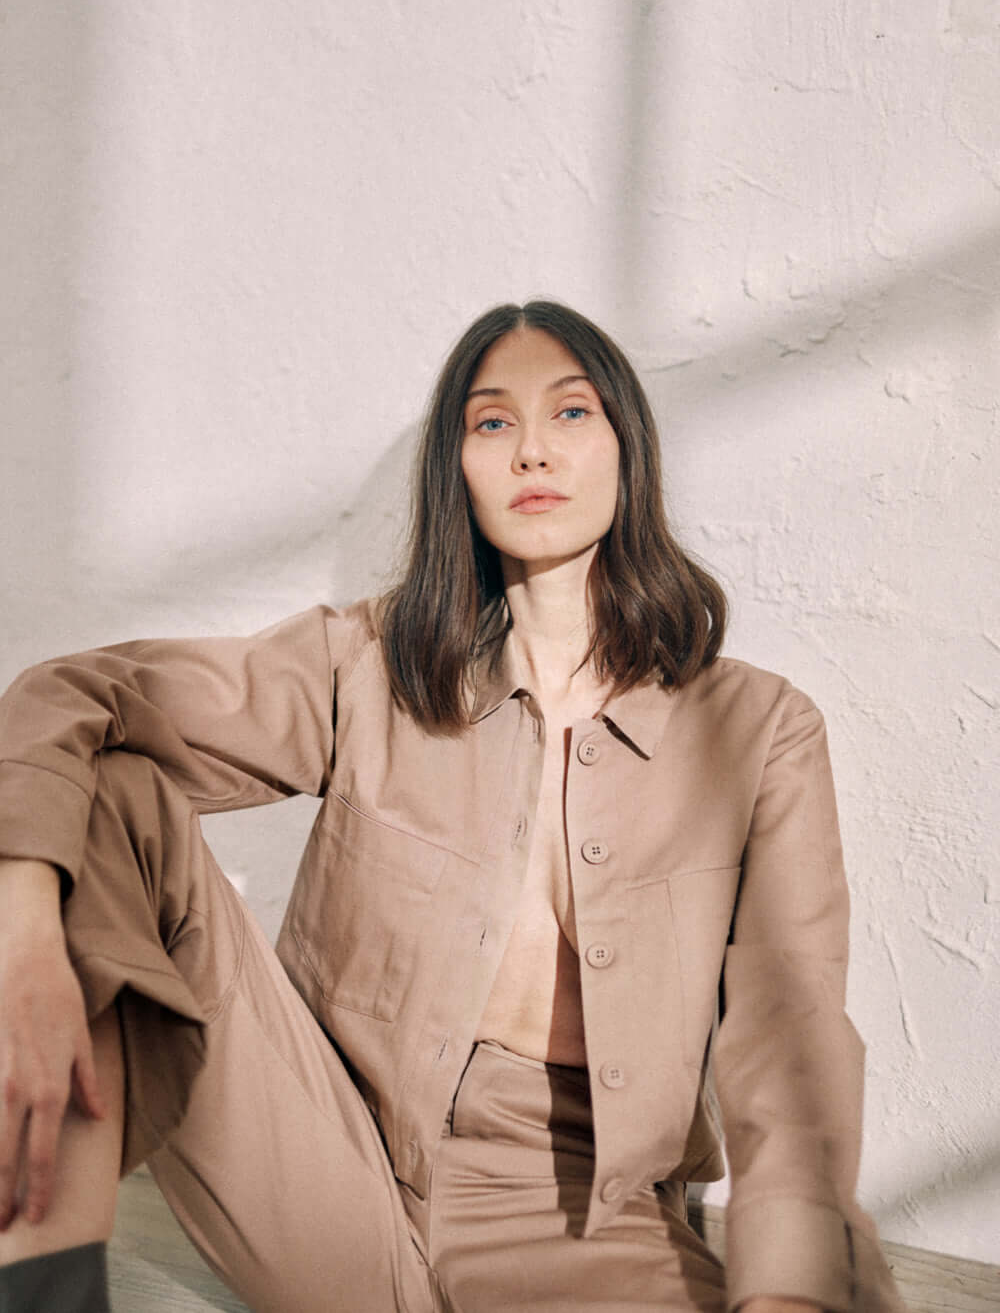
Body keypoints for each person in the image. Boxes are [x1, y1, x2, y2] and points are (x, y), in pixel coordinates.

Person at [0, 301, 905, 1313]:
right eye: (490, 423)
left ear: (626, 450)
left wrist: (787, 1296)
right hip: (328, 1159)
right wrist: (25, 936)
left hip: (576, 1214)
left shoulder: (757, 731)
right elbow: (74, 697)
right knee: (114, 794)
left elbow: (789, 1030)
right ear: (457, 469)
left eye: (570, 414)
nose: (530, 452)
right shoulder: (369, 666)